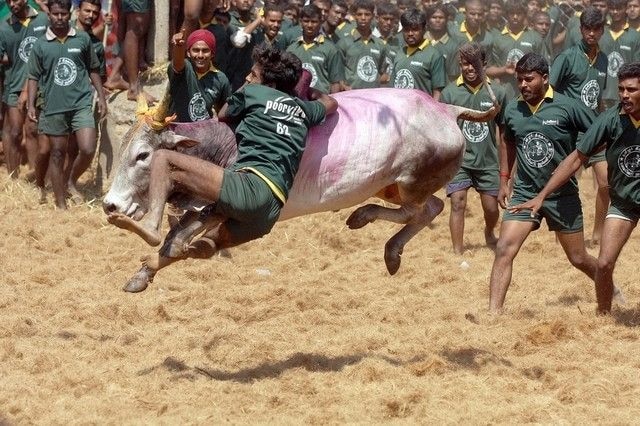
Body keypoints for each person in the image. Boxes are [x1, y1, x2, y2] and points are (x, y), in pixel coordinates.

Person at [107, 45, 338, 271]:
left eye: (254, 74)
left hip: (250, 186)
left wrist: (245, 89)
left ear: (269, 84)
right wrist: (307, 92)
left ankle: (152, 226)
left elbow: (225, 113)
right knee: (211, 243)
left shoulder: (254, 92)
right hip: (271, 210)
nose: (248, 77)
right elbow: (331, 103)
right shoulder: (305, 111)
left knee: (163, 158)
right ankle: (164, 262)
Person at [509, 62, 640, 314]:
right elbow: (575, 159)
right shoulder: (611, 119)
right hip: (624, 203)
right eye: (621, 89)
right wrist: (542, 196)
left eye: (631, 90)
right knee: (603, 263)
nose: (624, 95)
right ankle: (603, 317)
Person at [488, 53, 598, 312]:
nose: (523, 85)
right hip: (525, 193)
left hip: (562, 195)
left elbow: (597, 132)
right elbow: (507, 140)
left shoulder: (568, 106)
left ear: (545, 78)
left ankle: (608, 284)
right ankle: (494, 313)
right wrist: (504, 180)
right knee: (504, 248)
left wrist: (582, 157)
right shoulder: (513, 108)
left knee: (578, 258)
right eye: (519, 80)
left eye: (529, 79)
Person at [26, 0, 107, 209]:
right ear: (49, 15)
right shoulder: (41, 44)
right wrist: (31, 105)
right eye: (55, 14)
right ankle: (60, 203)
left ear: (70, 13)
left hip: (81, 103)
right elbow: (33, 77)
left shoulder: (82, 39)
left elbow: (93, 68)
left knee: (88, 148)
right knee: (56, 152)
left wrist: (101, 97)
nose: (60, 18)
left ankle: (70, 180)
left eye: (63, 14)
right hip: (54, 106)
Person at [551, 6, 609, 245]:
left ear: (602, 31)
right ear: (581, 29)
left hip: (594, 130)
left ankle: (597, 234)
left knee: (606, 183)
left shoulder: (603, 59)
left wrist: (606, 125)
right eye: (587, 28)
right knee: (562, 183)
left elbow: (597, 97)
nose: (591, 34)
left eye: (596, 29)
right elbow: (549, 92)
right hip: (569, 132)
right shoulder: (566, 57)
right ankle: (561, 235)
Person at [441, 43, 506, 254]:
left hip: (488, 161)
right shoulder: (450, 93)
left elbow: (504, 134)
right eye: (464, 64)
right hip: (459, 161)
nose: (469, 68)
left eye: (474, 64)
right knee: (458, 203)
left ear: (484, 64)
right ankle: (457, 252)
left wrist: (505, 172)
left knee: (491, 208)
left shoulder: (498, 92)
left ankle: (489, 231)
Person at [0, 0, 49, 178]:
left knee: (32, 130)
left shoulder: (43, 20)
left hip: (41, 86)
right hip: (14, 86)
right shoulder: (4, 27)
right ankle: (13, 177)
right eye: (8, 1)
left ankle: (37, 176)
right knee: (14, 131)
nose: (12, 4)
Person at [168, 29, 232, 122]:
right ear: (188, 53)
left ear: (212, 54)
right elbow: (177, 65)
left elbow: (224, 110)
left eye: (205, 51)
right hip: (176, 130)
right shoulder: (185, 68)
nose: (200, 55)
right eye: (196, 50)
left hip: (202, 132)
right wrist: (179, 47)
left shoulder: (220, 79)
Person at [486, 0, 544, 100]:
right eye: (512, 13)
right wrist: (504, 70)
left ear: (525, 15)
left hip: (530, 91)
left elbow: (544, 67)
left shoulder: (535, 37)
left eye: (519, 13)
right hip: (505, 91)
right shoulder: (497, 38)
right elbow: (487, 69)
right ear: (506, 14)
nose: (515, 17)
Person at [287, 4, 344, 94]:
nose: (310, 25)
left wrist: (332, 102)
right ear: (300, 22)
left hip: (321, 102)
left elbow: (335, 83)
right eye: (306, 21)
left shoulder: (331, 49)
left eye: (314, 21)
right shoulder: (291, 49)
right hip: (296, 101)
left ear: (321, 22)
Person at [391, 8, 446, 100]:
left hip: (421, 111)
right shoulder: (400, 53)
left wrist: (433, 112)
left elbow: (438, 90)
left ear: (424, 29)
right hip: (400, 110)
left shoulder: (433, 55)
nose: (410, 33)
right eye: (406, 30)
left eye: (415, 30)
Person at [336, 0, 388, 90]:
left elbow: (382, 72)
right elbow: (337, 72)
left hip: (373, 95)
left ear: (373, 16)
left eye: (367, 14)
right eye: (359, 14)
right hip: (351, 95)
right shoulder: (344, 43)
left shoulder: (380, 44)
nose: (363, 18)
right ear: (354, 16)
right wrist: (343, 86)